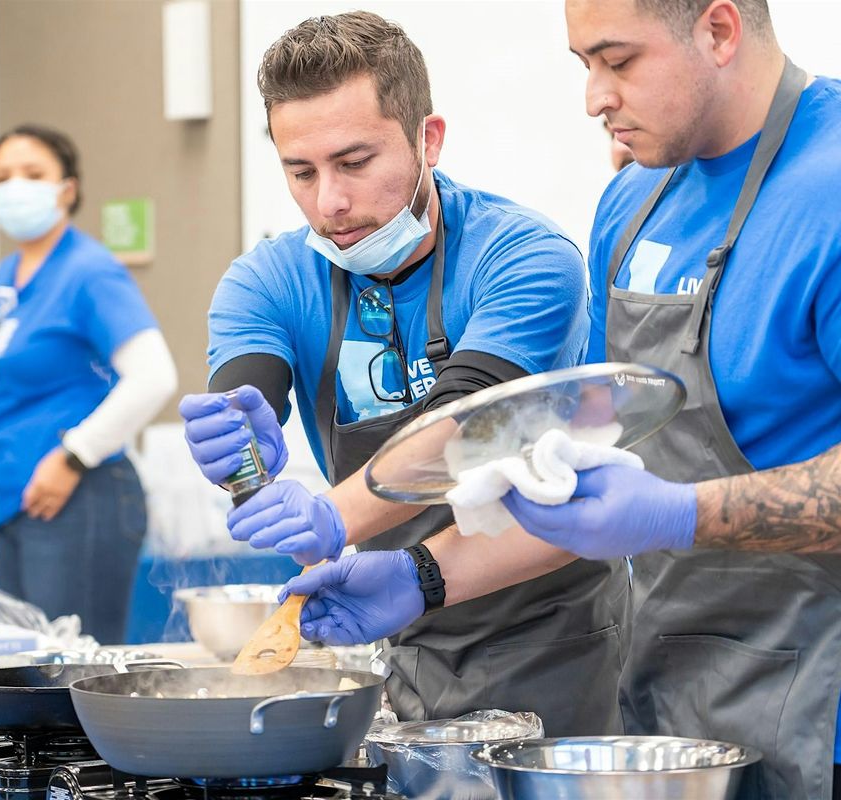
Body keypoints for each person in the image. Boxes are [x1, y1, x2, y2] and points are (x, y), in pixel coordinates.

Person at [289, 1, 841, 797]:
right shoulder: (633, 205)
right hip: (671, 712)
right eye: (583, 64)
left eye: (618, 61)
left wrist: (681, 514)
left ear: (720, 30)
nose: (594, 97)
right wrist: (419, 577)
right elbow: (586, 481)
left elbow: (653, 507)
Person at [179, 12, 627, 735]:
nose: (330, 203)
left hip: (553, 633)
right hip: (397, 618)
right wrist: (240, 455)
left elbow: (467, 427)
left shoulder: (525, 258)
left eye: (354, 162)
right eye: (301, 172)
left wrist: (332, 514)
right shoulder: (265, 280)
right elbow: (246, 390)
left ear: (429, 139)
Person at [0, 124, 177, 643]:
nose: (15, 187)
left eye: (32, 174)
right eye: (2, 177)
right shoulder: (7, 278)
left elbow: (153, 376)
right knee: (21, 670)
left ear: (68, 189)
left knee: (67, 676)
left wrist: (74, 456)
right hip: (18, 504)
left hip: (80, 496)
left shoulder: (88, 272)